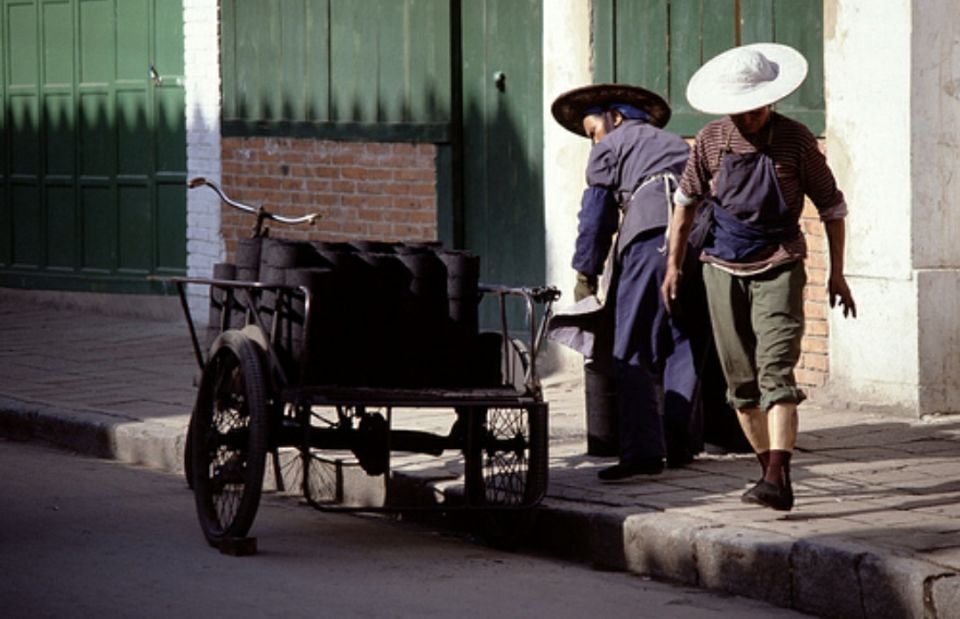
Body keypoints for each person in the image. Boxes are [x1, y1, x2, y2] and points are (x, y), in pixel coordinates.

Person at [661, 43, 857, 511]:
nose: (748, 116)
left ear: (771, 99)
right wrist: (672, 265)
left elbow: (832, 208)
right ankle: (770, 472)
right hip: (721, 266)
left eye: (755, 107)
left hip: (779, 262)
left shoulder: (796, 140)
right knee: (742, 384)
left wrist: (838, 274)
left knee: (777, 372)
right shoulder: (710, 140)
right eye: (739, 109)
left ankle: (777, 476)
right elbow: (684, 206)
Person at [550, 84, 704, 481]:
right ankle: (679, 443)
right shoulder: (675, 144)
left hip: (652, 233)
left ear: (614, 118)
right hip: (699, 237)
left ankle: (643, 454)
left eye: (592, 131)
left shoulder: (611, 147)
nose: (593, 142)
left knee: (632, 343)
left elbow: (597, 217)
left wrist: (586, 272)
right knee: (679, 336)